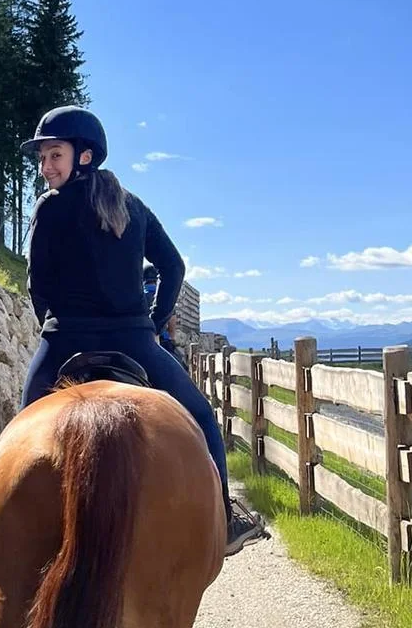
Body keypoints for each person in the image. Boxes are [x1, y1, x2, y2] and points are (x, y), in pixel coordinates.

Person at [20, 106, 265, 556]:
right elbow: (174, 266)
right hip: (133, 341)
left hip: (64, 341)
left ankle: (6, 533)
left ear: (84, 156)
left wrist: (51, 325)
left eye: (54, 155)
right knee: (201, 417)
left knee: (20, 431)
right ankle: (226, 520)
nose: (45, 167)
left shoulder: (48, 208)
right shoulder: (131, 205)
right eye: (43, 158)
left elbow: (37, 282)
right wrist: (154, 322)